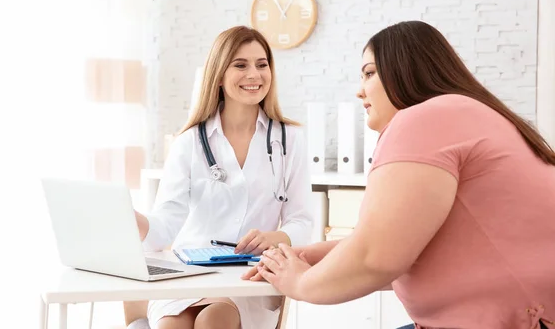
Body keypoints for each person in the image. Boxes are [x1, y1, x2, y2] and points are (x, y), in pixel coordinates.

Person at [243, 20, 555, 329]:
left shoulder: (426, 119)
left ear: (406, 71)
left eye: (369, 73)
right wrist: (309, 256)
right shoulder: (474, 114)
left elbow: (375, 259)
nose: (359, 91)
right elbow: (391, 243)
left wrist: (299, 282)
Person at [126, 25, 313, 329]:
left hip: (250, 278)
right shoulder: (190, 142)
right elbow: (166, 223)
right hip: (190, 275)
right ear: (219, 75)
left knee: (216, 319)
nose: (254, 74)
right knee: (170, 326)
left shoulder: (289, 140)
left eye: (262, 64)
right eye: (240, 65)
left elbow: (302, 220)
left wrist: (275, 238)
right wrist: (135, 221)